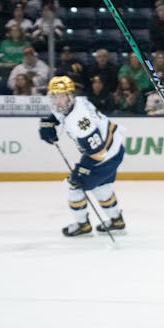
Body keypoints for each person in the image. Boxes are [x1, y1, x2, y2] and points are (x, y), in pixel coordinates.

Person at [38, 76, 127, 237]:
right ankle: (116, 221)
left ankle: (82, 225)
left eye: (61, 96)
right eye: (54, 96)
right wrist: (48, 123)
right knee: (101, 187)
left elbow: (97, 152)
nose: (58, 101)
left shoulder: (80, 120)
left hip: (104, 156)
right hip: (114, 149)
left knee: (72, 186)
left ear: (70, 95)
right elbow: (57, 115)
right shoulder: (75, 102)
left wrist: (81, 170)